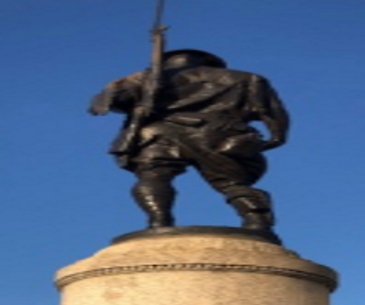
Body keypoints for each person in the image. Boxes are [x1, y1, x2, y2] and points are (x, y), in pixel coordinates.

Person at [89, 49, 290, 231]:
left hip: (156, 134)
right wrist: (276, 137)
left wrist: (130, 88)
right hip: (219, 132)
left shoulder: (140, 78)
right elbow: (272, 113)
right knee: (231, 182)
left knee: (153, 176)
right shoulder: (248, 78)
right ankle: (256, 221)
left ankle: (158, 221)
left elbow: (104, 105)